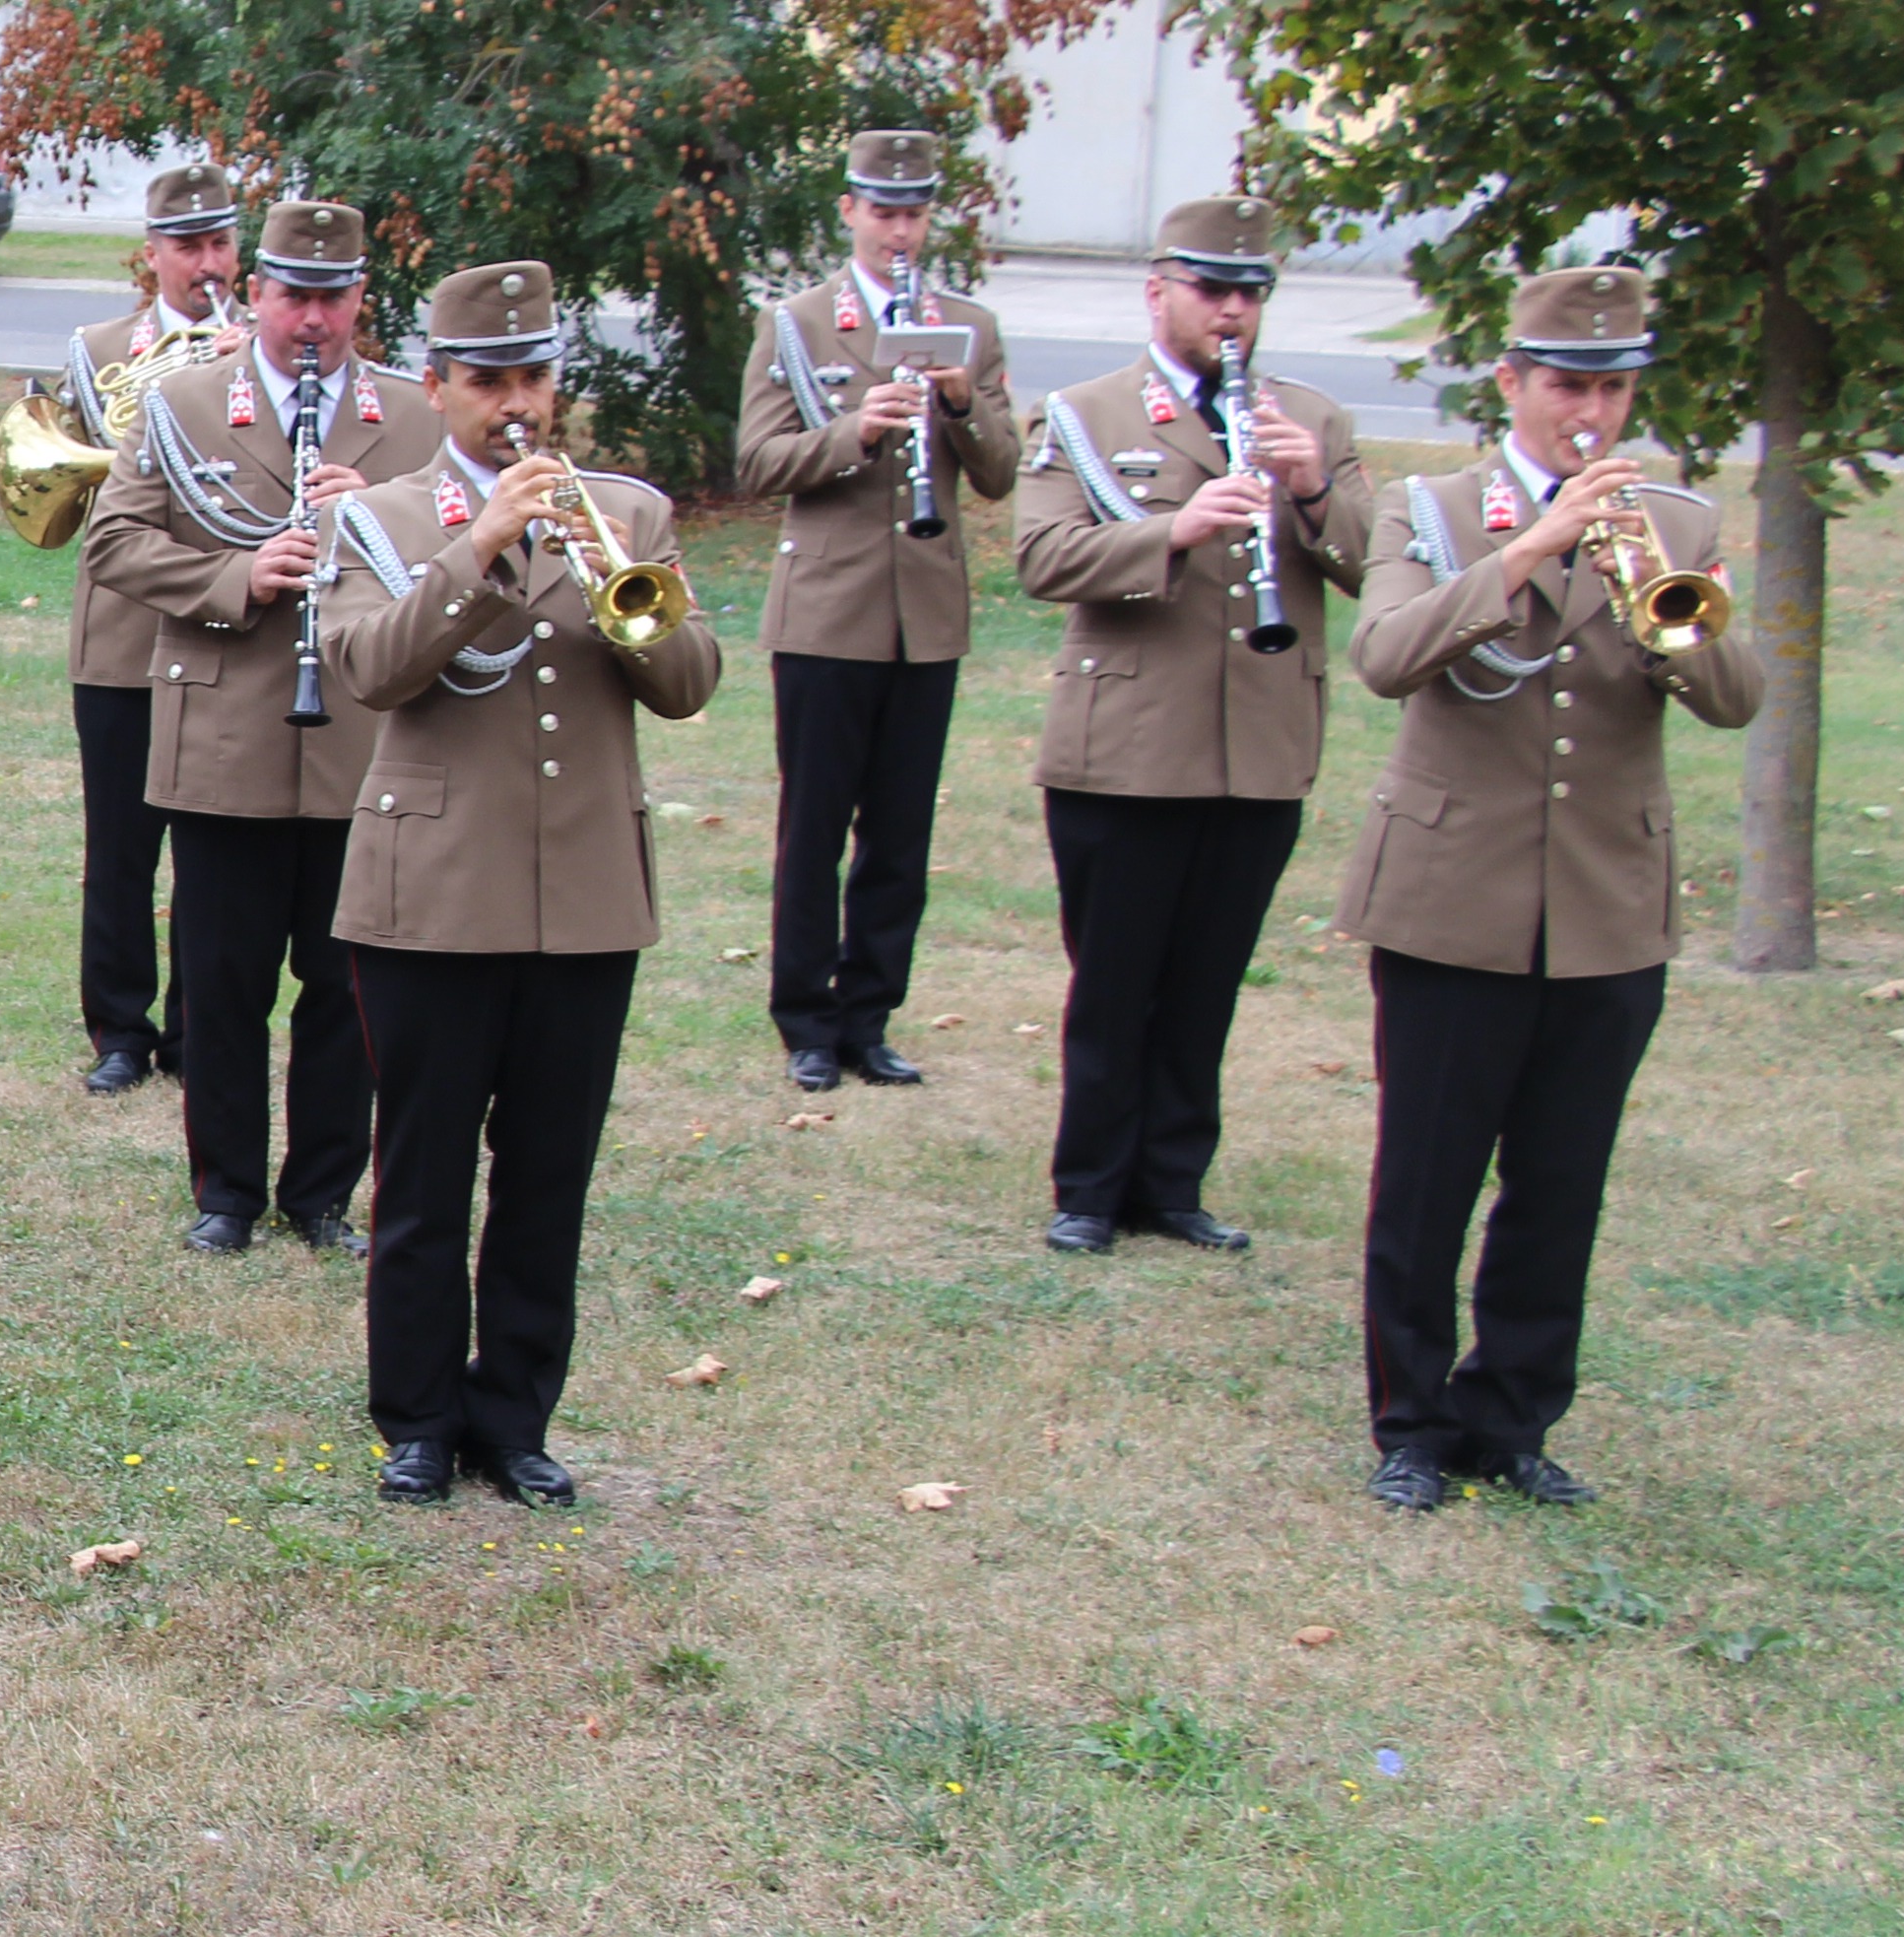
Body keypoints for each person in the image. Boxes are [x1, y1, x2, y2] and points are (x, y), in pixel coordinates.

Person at [1336, 266, 1758, 1513]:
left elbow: (1738, 701)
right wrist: (1529, 550)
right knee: (1427, 1178)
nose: (1590, 409)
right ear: (1511, 381)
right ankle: (1412, 1423)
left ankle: (1511, 1417)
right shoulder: (1438, 505)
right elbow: (1384, 655)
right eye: (1567, 382)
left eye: (1613, 387)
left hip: (1608, 902)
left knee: (1561, 1181)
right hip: (1451, 892)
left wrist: (1668, 625)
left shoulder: (1676, 523)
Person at [315, 262, 725, 1506]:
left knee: (550, 1173)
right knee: (428, 1169)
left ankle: (517, 1414)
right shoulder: (382, 517)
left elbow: (690, 683)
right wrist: (477, 552)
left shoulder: (632, 515)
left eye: (533, 377)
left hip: (587, 891)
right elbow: (368, 670)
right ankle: (419, 1420)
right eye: (487, 380)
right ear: (435, 387)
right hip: (431, 891)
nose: (516, 405)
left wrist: (619, 600)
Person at [1009, 193, 1371, 1256]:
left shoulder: (1311, 420)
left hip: (1258, 747)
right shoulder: (1086, 412)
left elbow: (1367, 564)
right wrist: (1172, 531)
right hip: (1124, 751)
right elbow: (1041, 557)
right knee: (1115, 982)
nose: (1233, 310)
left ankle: (1173, 1180)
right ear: (1158, 289)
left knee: (1206, 982)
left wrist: (1309, 491)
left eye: (1252, 292)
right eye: (1213, 288)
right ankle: (1090, 1185)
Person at [81, 195, 438, 1258]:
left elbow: (458, 565)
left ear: (360, 298)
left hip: (360, 736)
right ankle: (227, 1193)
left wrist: (375, 512)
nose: (314, 322)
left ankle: (321, 1193)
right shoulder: (187, 402)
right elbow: (115, 546)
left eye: (334, 299)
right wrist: (238, 574)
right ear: (261, 292)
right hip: (227, 729)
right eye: (294, 297)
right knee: (225, 980)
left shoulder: (411, 415)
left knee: (344, 984)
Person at [733, 130, 1018, 1094]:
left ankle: (870, 1016)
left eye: (914, 212)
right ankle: (805, 1020)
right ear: (849, 211)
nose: (899, 229)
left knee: (900, 836)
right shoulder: (801, 324)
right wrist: (858, 432)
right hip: (826, 612)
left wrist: (962, 402)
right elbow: (759, 463)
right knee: (815, 830)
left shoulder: (967, 325)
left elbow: (1002, 470)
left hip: (925, 615)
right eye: (882, 210)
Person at [50, 162, 248, 1100]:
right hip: (126, 633)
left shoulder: (271, 348)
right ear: (153, 255)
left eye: (219, 244)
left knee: (216, 856)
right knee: (121, 847)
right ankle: (121, 1029)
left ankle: (203, 1028)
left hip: (230, 631)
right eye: (186, 247)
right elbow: (60, 476)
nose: (205, 265)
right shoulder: (98, 350)